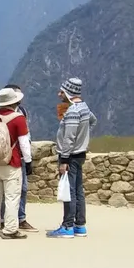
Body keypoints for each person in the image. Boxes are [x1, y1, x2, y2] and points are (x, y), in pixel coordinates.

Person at [48, 77, 98, 238]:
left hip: (70, 156)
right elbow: (93, 121)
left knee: (68, 191)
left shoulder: (72, 112)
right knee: (78, 190)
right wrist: (84, 138)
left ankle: (67, 226)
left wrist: (64, 159)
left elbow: (69, 137)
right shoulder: (84, 108)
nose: (58, 94)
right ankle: (80, 225)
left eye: (62, 91)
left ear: (68, 92)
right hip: (80, 153)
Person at [0, 87, 32, 239]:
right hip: (12, 163)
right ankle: (10, 229)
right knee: (12, 197)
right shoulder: (18, 118)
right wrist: (28, 161)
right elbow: (24, 143)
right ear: (15, 101)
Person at [0, 84, 36, 232]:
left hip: (18, 156)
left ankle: (21, 218)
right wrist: (29, 159)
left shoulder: (22, 113)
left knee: (23, 189)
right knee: (5, 190)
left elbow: (26, 135)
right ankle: (4, 220)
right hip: (6, 157)